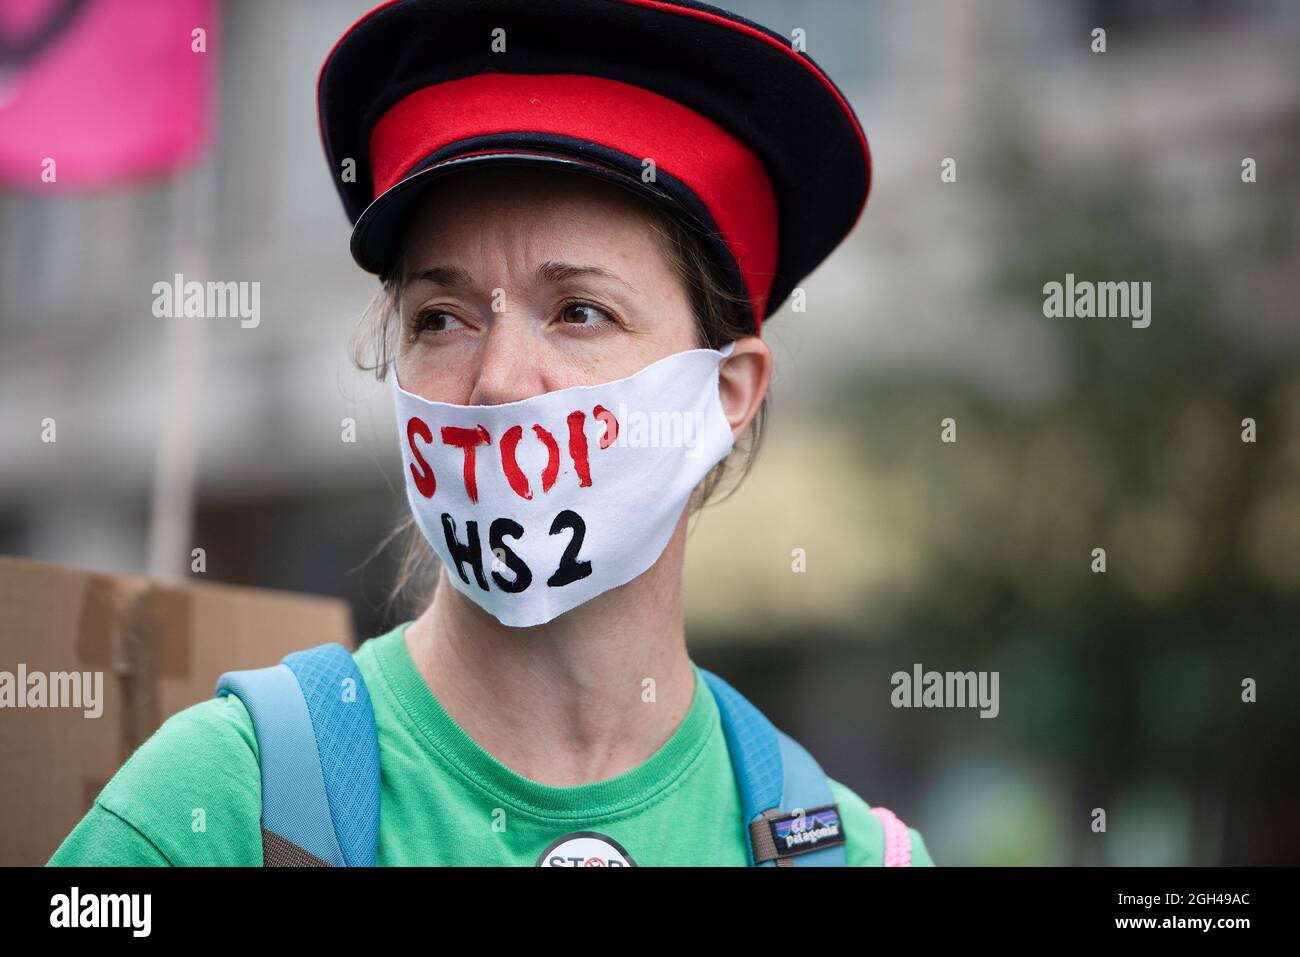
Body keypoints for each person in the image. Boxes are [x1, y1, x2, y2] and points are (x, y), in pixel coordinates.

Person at [48, 0, 933, 867]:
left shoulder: (847, 851)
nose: (500, 380)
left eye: (580, 311)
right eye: (441, 318)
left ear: (727, 394)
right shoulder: (215, 807)